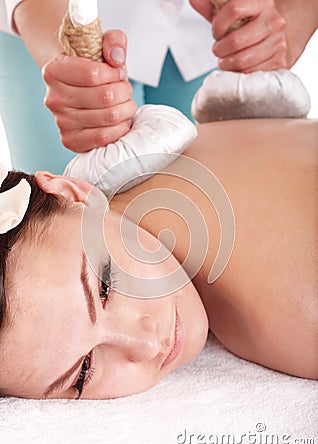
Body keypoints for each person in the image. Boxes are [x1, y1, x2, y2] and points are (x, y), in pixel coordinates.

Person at [0, 115, 317, 400]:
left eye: (107, 285)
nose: (147, 344)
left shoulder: (297, 306)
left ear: (73, 193)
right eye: (83, 372)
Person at [1, 0, 316, 172]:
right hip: (47, 23)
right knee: (74, 223)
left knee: (214, 219)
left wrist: (295, 14)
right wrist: (67, 55)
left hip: (212, 35)